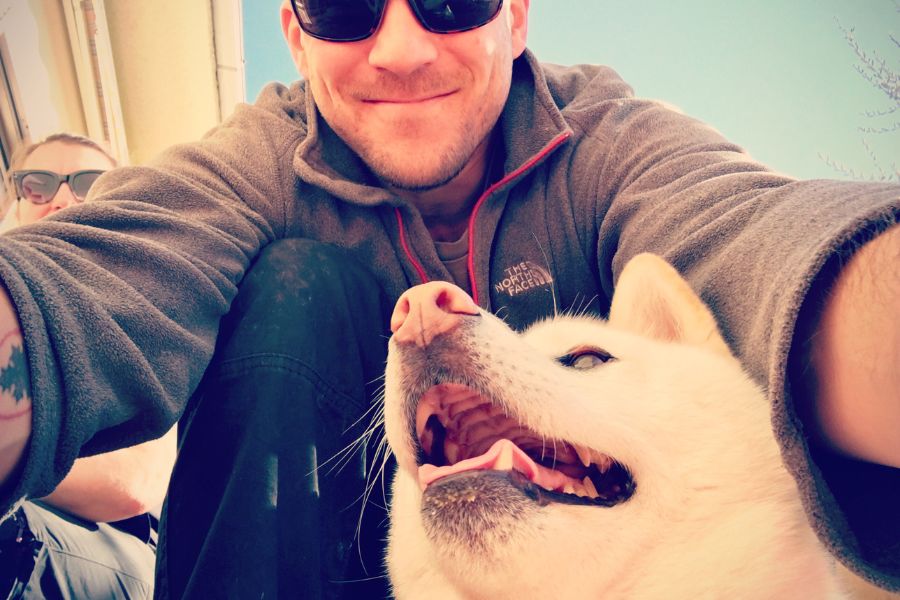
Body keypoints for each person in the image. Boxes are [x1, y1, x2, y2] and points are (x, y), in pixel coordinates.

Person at [0, 0, 897, 597]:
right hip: (324, 557)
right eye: (346, 3)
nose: (400, 49)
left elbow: (764, 242)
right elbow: (101, 279)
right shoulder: (260, 161)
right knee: (295, 288)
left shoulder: (611, 145)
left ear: (513, 16)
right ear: (297, 33)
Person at [0, 133, 176, 598]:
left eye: (88, 184)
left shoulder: (144, 315)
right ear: (13, 205)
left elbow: (133, 483)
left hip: (106, 550)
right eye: (37, 184)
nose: (60, 199)